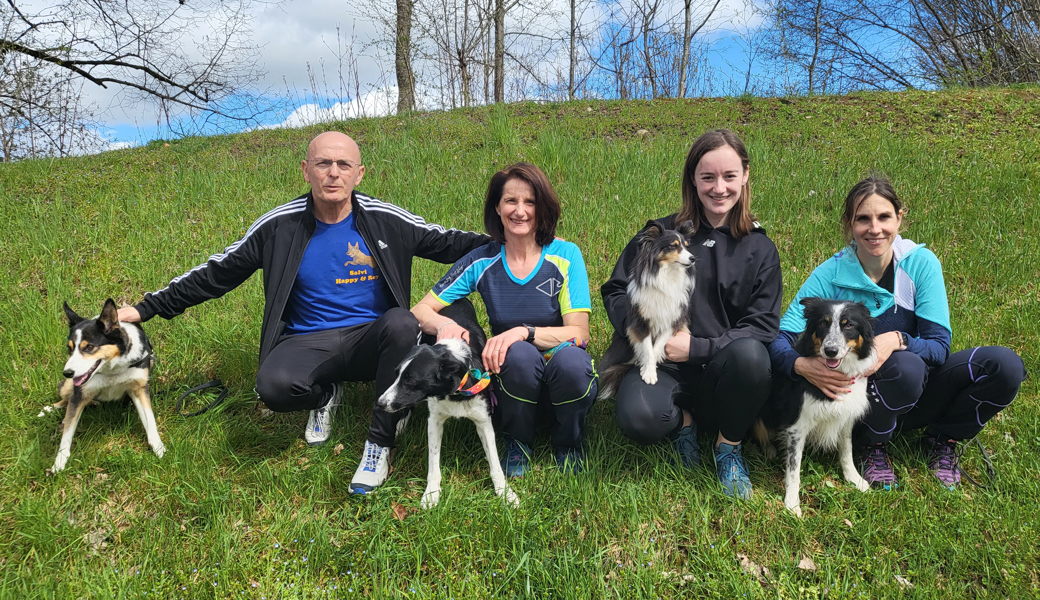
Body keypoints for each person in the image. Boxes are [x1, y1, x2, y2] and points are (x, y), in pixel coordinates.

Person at [117, 131, 489, 494]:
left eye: (344, 164)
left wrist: (519, 238)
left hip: (374, 340)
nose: (333, 173)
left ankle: (379, 443)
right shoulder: (280, 225)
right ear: (305, 170)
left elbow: (451, 242)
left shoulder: (384, 219)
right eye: (322, 163)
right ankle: (323, 396)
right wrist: (146, 308)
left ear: (360, 173)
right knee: (273, 388)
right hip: (308, 340)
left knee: (402, 322)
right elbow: (218, 272)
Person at [768, 175, 1027, 489]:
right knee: (907, 368)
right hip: (852, 403)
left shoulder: (921, 264)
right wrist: (802, 366)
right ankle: (871, 446)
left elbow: (939, 347)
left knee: (1004, 366)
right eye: (863, 219)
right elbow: (780, 339)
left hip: (915, 389)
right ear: (849, 224)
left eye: (884, 217)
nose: (874, 229)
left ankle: (942, 441)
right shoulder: (829, 274)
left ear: (900, 218)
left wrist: (897, 340)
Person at [602, 129, 782, 498]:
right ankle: (683, 423)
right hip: (663, 365)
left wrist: (698, 347)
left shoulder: (760, 248)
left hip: (724, 370)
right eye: (708, 177)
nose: (719, 188)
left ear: (745, 175)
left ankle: (727, 447)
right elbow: (616, 288)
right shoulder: (661, 234)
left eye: (730, 176)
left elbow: (763, 325)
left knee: (752, 354)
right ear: (692, 179)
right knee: (638, 417)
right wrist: (637, 327)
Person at [411, 162, 597, 476]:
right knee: (520, 356)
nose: (520, 211)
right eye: (511, 201)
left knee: (573, 364)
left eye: (530, 202)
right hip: (511, 377)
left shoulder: (565, 255)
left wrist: (523, 331)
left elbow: (579, 333)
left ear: (543, 207)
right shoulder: (482, 259)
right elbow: (421, 309)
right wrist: (445, 325)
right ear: (497, 207)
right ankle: (518, 443)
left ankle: (568, 443)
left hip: (559, 378)